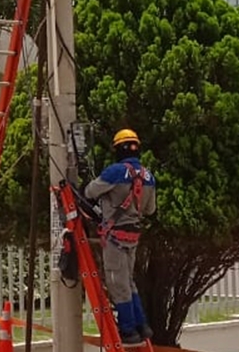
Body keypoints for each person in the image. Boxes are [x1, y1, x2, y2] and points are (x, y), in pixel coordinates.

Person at [84, 128, 156, 345]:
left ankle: (127, 331)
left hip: (114, 236)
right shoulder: (149, 176)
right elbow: (150, 210)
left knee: (117, 283)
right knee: (129, 282)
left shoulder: (114, 172)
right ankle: (141, 325)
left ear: (118, 149)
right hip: (133, 236)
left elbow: (89, 192)